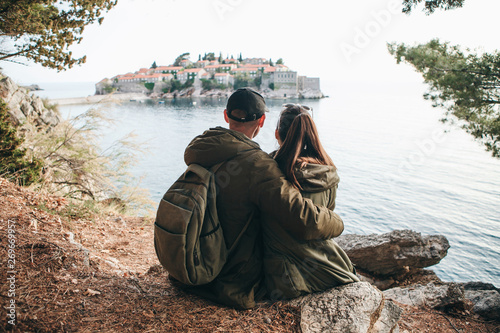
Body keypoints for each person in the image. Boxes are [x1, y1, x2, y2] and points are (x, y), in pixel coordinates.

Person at [180, 88, 345, 309]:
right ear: (262, 121)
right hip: (233, 276)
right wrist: (337, 221)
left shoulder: (203, 149)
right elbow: (303, 217)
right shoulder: (260, 166)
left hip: (193, 254)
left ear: (226, 115)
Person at [263, 103, 359, 300]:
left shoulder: (268, 172)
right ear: (311, 134)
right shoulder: (329, 172)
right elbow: (325, 223)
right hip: (331, 266)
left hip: (285, 277)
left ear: (276, 134)